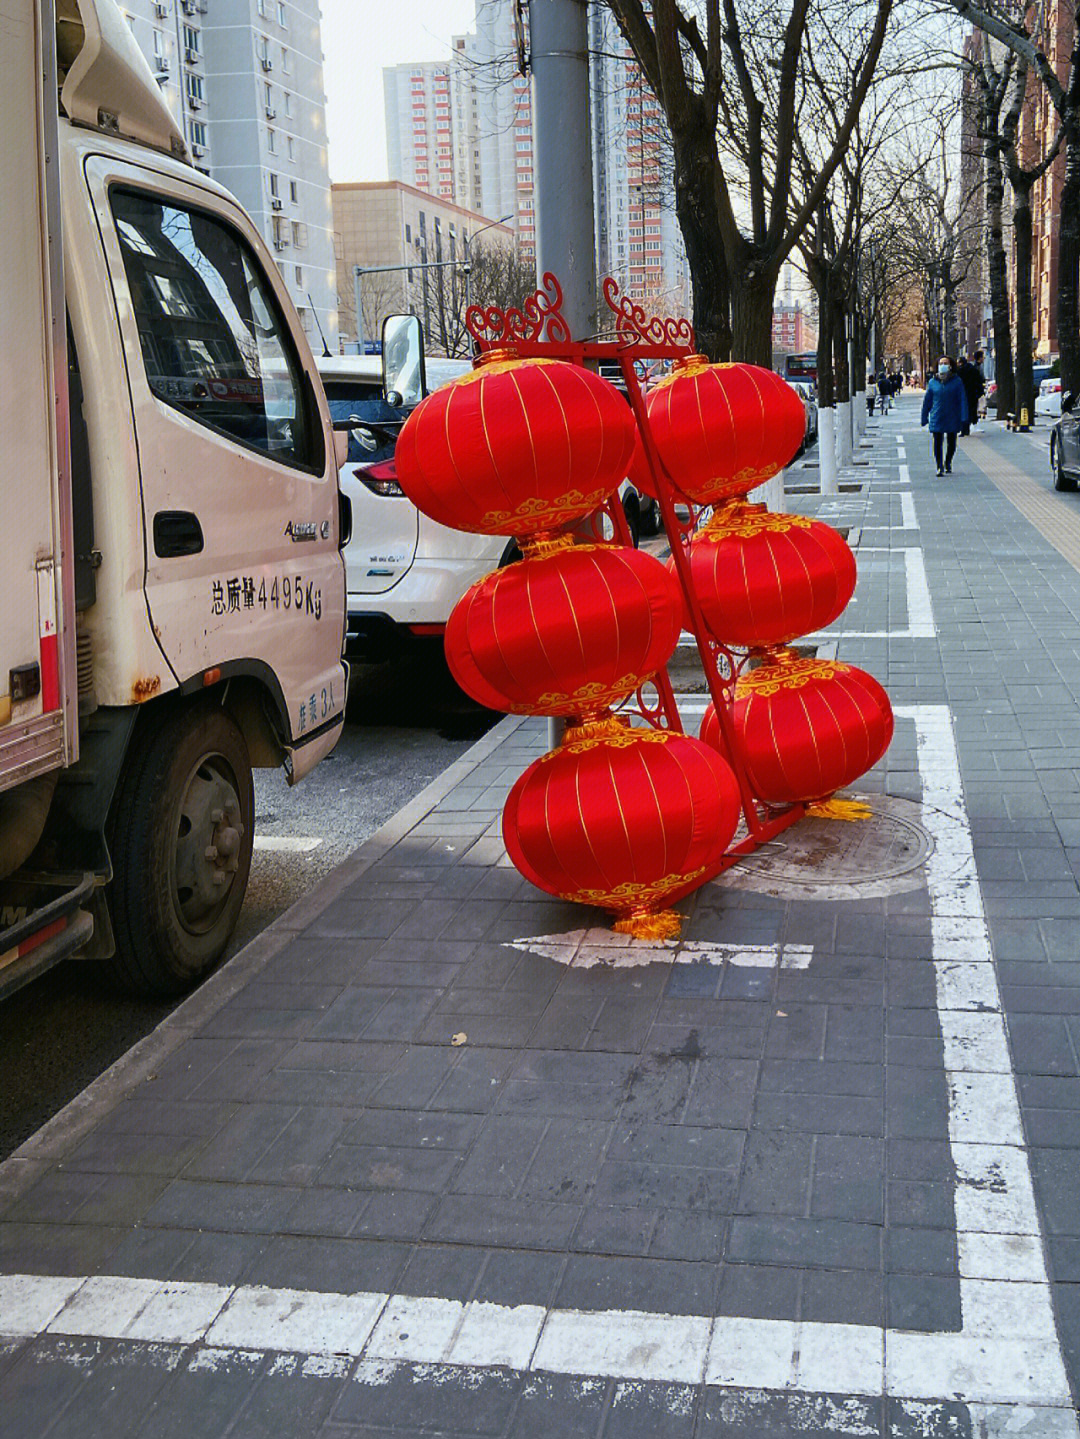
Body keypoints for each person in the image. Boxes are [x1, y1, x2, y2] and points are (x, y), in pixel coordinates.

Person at [921, 356, 969, 475]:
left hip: (953, 415)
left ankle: (948, 462)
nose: (943, 365)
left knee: (951, 442)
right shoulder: (933, 382)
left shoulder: (957, 381)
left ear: (950, 365)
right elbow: (927, 401)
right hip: (937, 416)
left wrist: (964, 417)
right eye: (941, 363)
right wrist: (924, 416)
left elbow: (962, 399)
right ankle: (939, 466)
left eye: (945, 363)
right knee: (937, 442)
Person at [956, 355, 984, 436]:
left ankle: (964, 429)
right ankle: (972, 424)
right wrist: (979, 393)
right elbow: (979, 381)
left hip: (963, 394)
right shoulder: (974, 370)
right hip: (973, 394)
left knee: (963, 412)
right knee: (972, 410)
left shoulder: (959, 372)